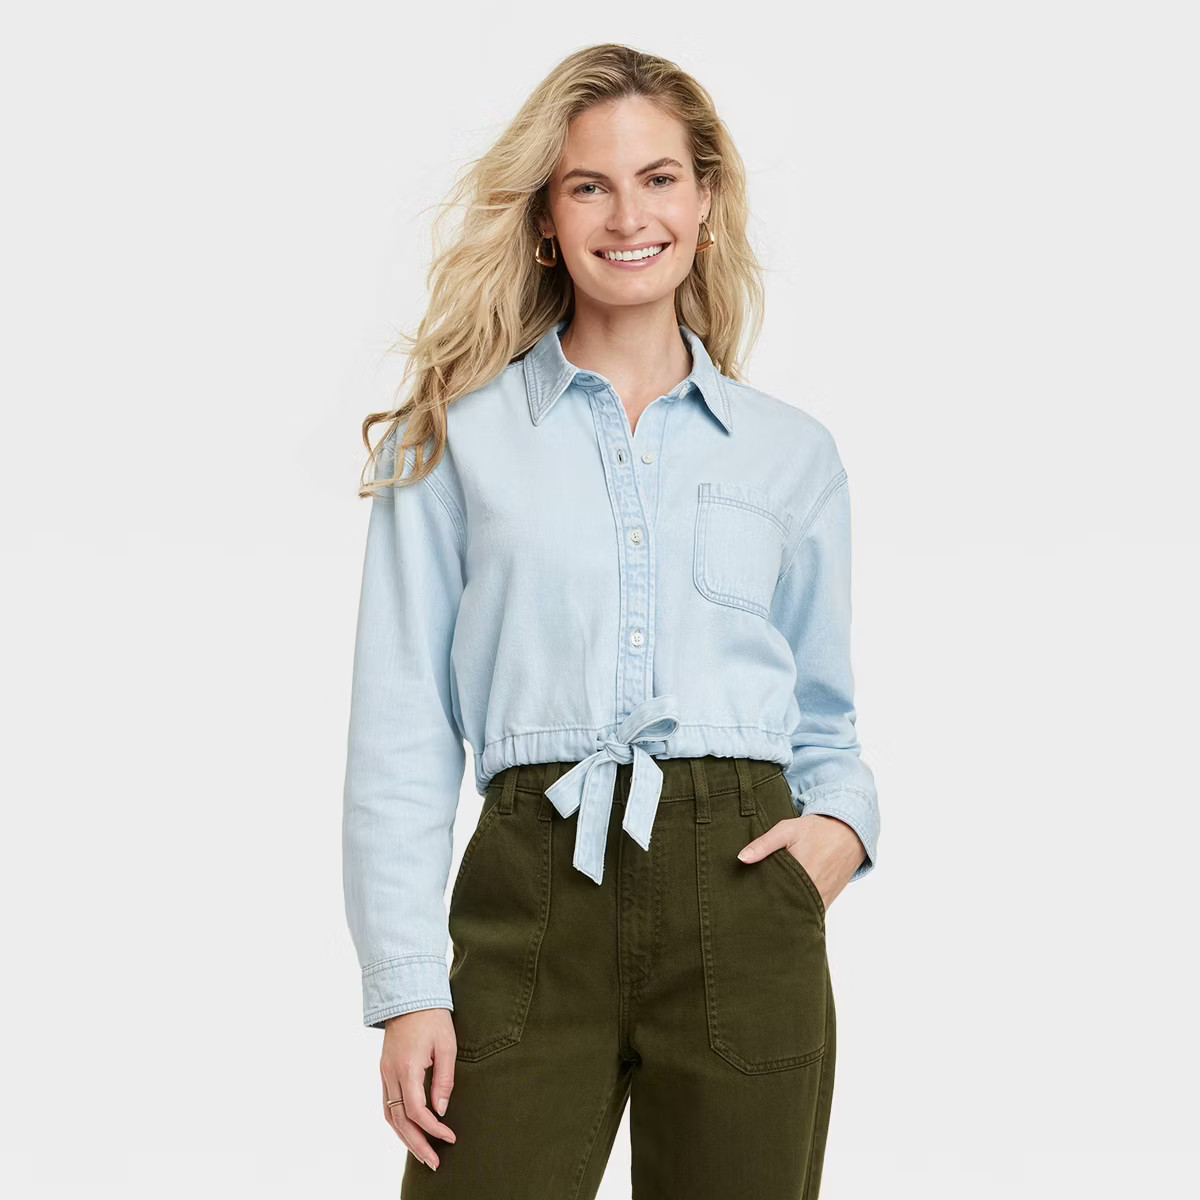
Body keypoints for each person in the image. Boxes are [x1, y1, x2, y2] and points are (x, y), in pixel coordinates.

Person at [342, 42, 879, 1199]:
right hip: (530, 899)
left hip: (745, 899)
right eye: (590, 185)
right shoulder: (453, 441)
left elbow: (826, 715)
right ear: (546, 217)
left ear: (706, 201)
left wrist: (839, 828)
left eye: (660, 179)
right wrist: (407, 985)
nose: (629, 216)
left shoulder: (792, 456)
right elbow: (402, 728)